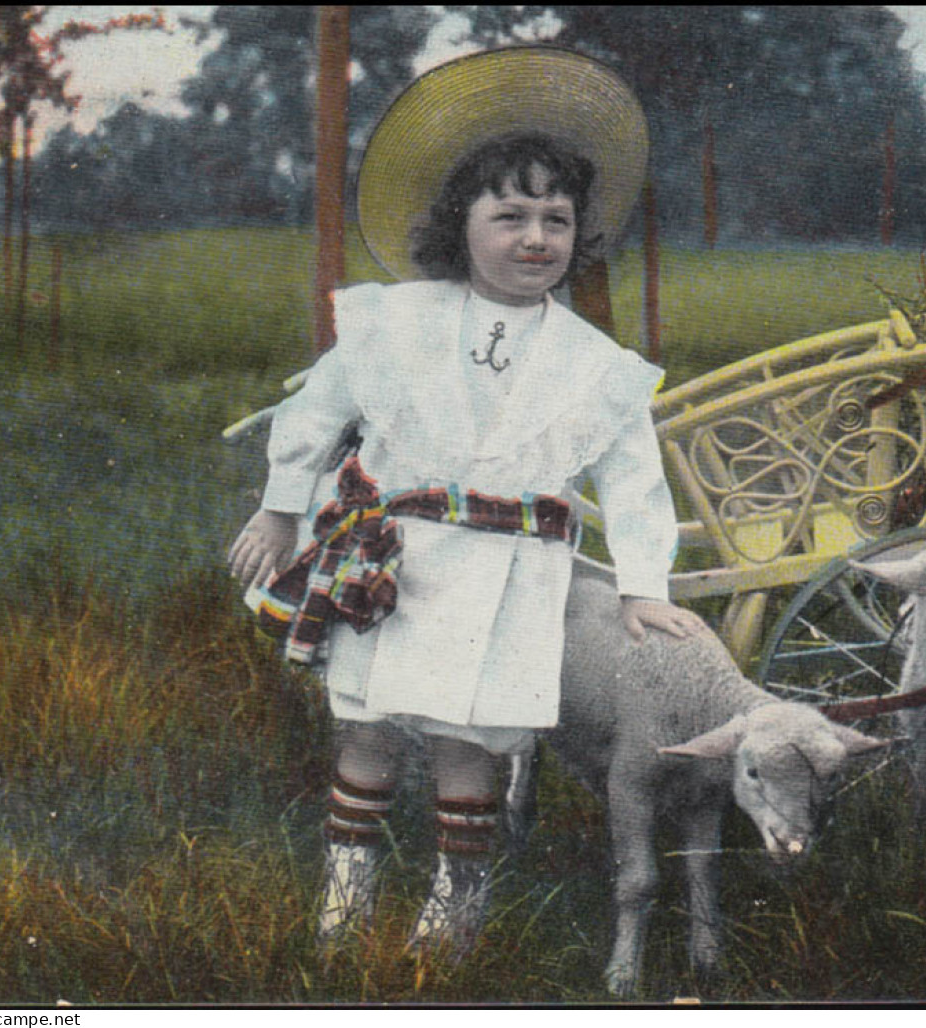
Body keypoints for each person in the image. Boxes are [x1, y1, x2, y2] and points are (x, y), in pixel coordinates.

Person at [226, 47, 705, 962]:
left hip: (507, 578)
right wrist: (283, 507)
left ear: (579, 235)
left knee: (469, 748)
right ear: (461, 223)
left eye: (556, 220)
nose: (535, 238)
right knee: (367, 731)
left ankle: (455, 910)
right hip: (390, 564)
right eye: (510, 215)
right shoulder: (396, 321)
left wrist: (645, 585)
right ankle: (344, 898)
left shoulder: (594, 367)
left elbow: (635, 477)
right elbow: (317, 408)